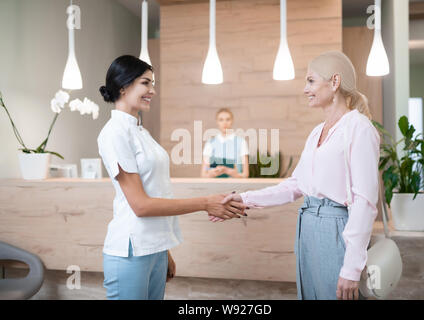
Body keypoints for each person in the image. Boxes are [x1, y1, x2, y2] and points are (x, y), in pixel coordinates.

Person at [218, 51, 380, 300]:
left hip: (337, 229)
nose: (305, 89)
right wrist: (245, 198)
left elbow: (365, 202)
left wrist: (352, 267)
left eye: (311, 81)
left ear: (334, 82)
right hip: (308, 226)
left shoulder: (359, 128)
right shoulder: (317, 132)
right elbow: (296, 185)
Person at [97, 55, 246, 300]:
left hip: (153, 249)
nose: (152, 91)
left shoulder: (140, 131)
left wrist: (163, 250)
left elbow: (158, 191)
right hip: (130, 250)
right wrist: (206, 203)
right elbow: (141, 205)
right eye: (146, 83)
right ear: (123, 86)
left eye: (152, 84)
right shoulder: (114, 133)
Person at [201, 108, 249, 178]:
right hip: (215, 186)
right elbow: (203, 174)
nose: (224, 123)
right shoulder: (210, 143)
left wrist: (232, 173)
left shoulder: (241, 142)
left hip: (235, 186)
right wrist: (212, 173)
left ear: (232, 121)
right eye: (221, 120)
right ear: (217, 122)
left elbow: (245, 174)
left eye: (228, 119)